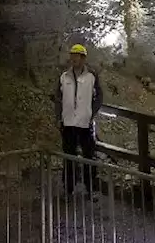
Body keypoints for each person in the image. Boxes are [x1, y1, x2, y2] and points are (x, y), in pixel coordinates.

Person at [55, 43, 103, 195]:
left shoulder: (91, 76)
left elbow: (99, 96)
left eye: (76, 56)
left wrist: (91, 113)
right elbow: (58, 99)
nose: (73, 59)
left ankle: (90, 189)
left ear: (83, 58)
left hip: (85, 123)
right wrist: (58, 118)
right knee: (69, 157)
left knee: (89, 157)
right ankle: (68, 189)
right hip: (68, 123)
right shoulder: (64, 77)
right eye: (72, 56)